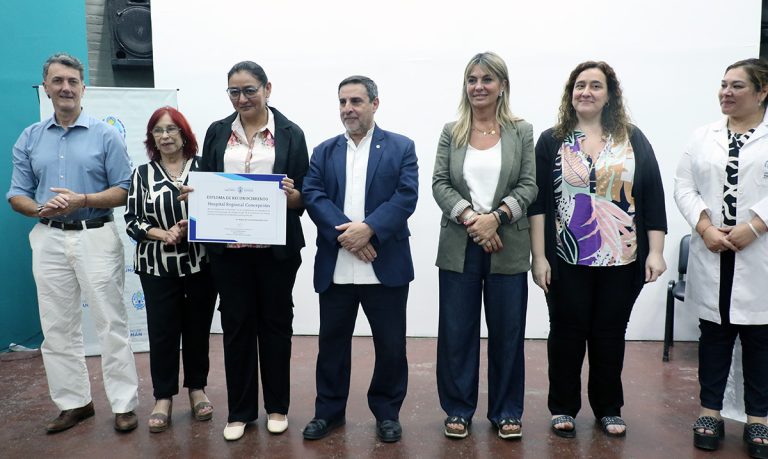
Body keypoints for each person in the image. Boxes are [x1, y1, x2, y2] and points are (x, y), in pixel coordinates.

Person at [528, 60, 667, 439]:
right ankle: (563, 407)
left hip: (623, 256)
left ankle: (608, 408)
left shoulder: (632, 138)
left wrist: (656, 251)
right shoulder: (552, 140)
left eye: (595, 85)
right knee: (566, 333)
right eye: (579, 85)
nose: (586, 92)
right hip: (566, 256)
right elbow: (538, 204)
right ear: (570, 94)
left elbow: (652, 195)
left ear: (609, 95)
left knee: (609, 333)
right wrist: (539, 257)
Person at [6, 53, 139, 433]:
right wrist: (39, 208)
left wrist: (83, 200)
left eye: (72, 81)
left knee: (111, 323)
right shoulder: (30, 137)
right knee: (57, 326)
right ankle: (74, 403)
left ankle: (124, 404)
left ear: (84, 88)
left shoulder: (106, 135)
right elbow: (16, 194)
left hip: (95, 235)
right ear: (46, 88)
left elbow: (125, 189)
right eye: (58, 81)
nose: (66, 87)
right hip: (48, 237)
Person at [185, 61, 308, 441]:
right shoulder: (217, 131)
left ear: (267, 89)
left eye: (250, 90)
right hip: (229, 252)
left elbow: (304, 196)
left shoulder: (290, 133)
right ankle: (239, 412)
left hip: (276, 252)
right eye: (234, 92)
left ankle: (277, 407)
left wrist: (292, 195)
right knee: (236, 327)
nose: (242, 99)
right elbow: (207, 180)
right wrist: (196, 196)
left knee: (276, 326)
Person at [301, 75, 418, 443]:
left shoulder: (401, 147)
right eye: (342, 102)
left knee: (391, 347)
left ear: (374, 104)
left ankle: (387, 412)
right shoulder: (323, 151)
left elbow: (406, 196)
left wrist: (369, 229)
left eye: (356, 101)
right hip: (337, 266)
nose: (348, 109)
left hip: (385, 266)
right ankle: (329, 412)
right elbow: (313, 194)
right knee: (331, 346)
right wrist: (349, 236)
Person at [431, 52, 536, 440]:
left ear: (502, 86)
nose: (478, 86)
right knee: (456, 332)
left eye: (487, 79)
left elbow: (529, 184)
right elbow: (440, 183)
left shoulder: (521, 131)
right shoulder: (452, 131)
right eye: (472, 79)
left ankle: (507, 411)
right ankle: (458, 410)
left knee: (508, 332)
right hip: (460, 243)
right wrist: (474, 220)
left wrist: (497, 218)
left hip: (507, 244)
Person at [674, 58, 768, 457]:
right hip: (713, 250)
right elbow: (684, 185)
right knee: (714, 336)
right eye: (724, 84)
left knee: (760, 339)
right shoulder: (703, 137)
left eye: (737, 86)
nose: (726, 92)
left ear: (762, 92)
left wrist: (755, 226)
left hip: (758, 253)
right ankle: (709, 412)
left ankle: (759, 419)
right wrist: (704, 227)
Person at [124, 107, 218, 432]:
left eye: (171, 130)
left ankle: (197, 389)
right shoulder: (142, 174)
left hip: (200, 264)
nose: (165, 136)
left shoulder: (205, 169)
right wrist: (162, 233)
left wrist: (193, 225)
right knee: (162, 332)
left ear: (183, 133)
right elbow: (132, 221)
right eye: (158, 131)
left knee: (197, 330)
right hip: (156, 266)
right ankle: (163, 397)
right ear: (151, 138)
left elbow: (221, 210)